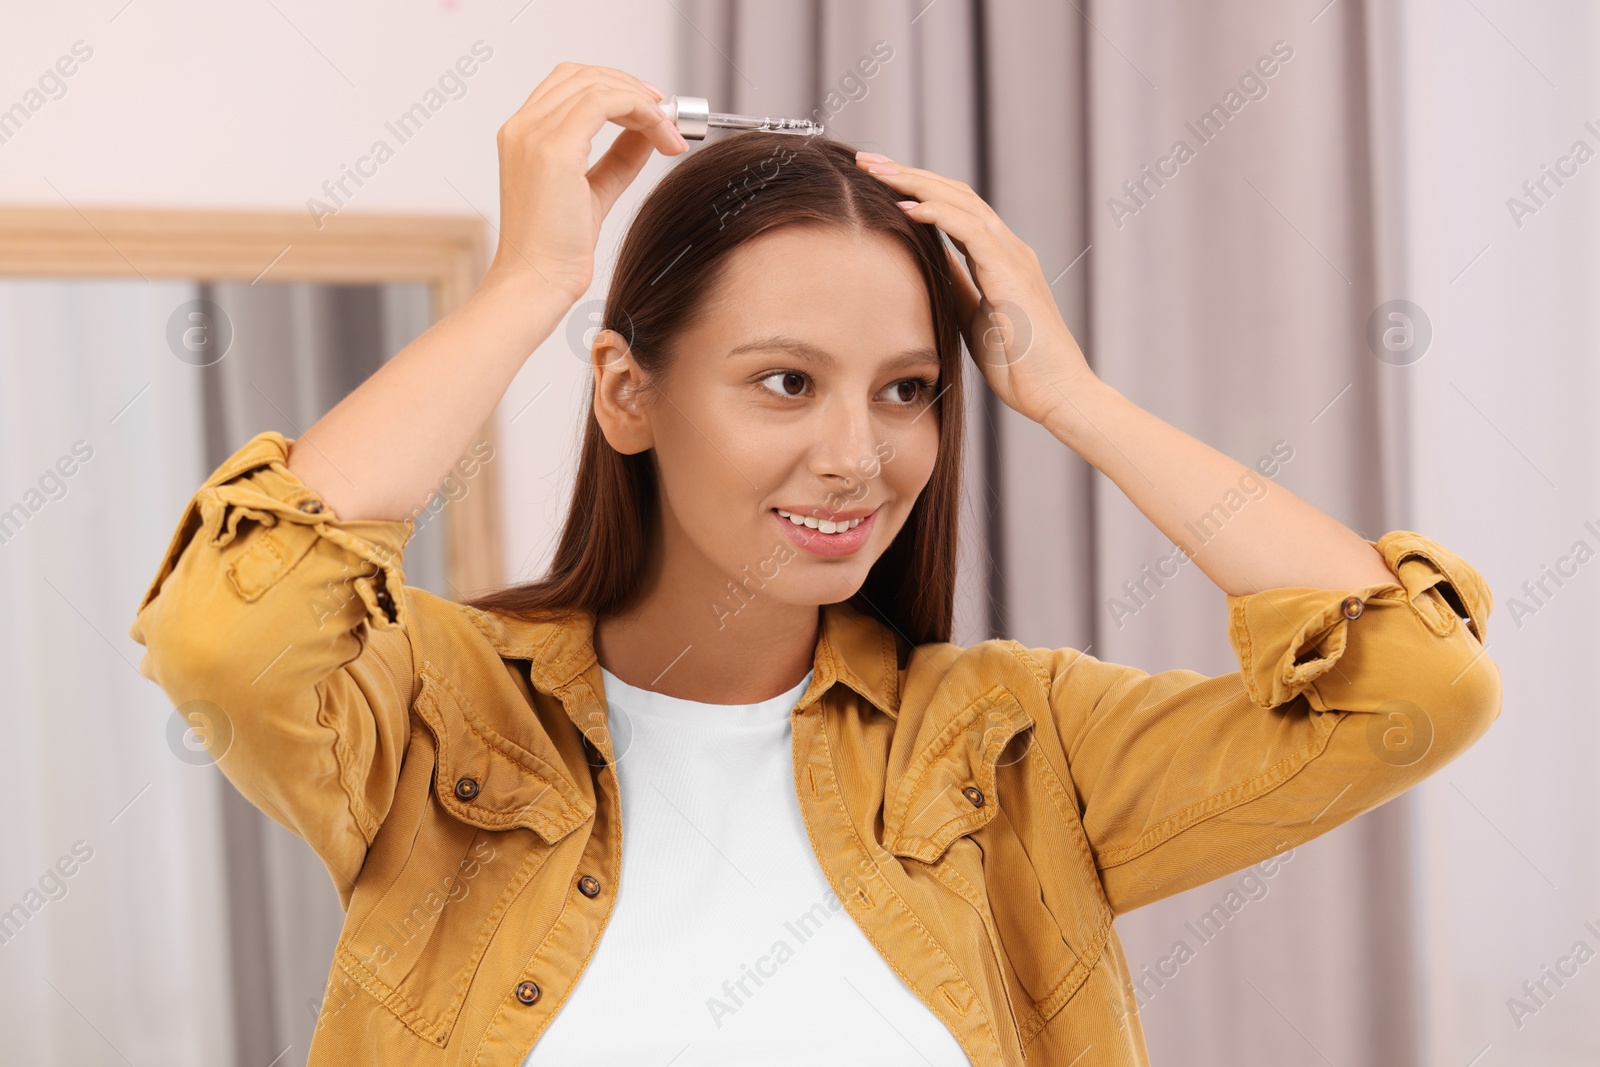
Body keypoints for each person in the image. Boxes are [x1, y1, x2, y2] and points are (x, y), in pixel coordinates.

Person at [128, 63, 1503, 1066]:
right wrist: (531, 281)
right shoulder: (437, 719)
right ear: (627, 395)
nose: (859, 456)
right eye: (786, 382)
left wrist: (1073, 393)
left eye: (908, 391)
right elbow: (227, 639)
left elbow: (1416, 687)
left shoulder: (1023, 750)